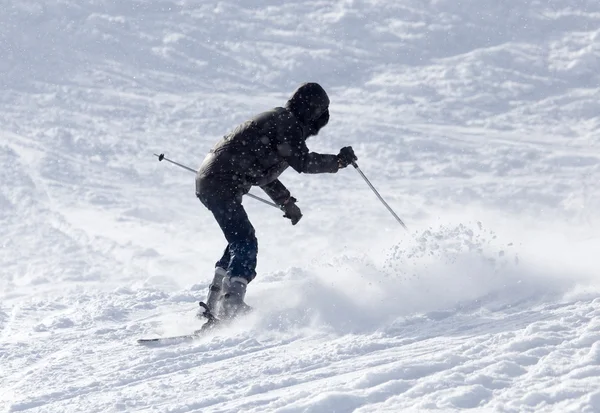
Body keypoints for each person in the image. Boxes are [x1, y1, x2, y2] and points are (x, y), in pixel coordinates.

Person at [195, 82, 357, 320]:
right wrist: (338, 162)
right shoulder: (288, 123)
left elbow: (262, 173)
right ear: (313, 113)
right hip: (222, 181)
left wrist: (286, 202)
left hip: (211, 180)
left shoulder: (278, 120)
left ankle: (215, 301)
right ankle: (232, 303)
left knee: (237, 239)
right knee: (245, 241)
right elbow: (303, 162)